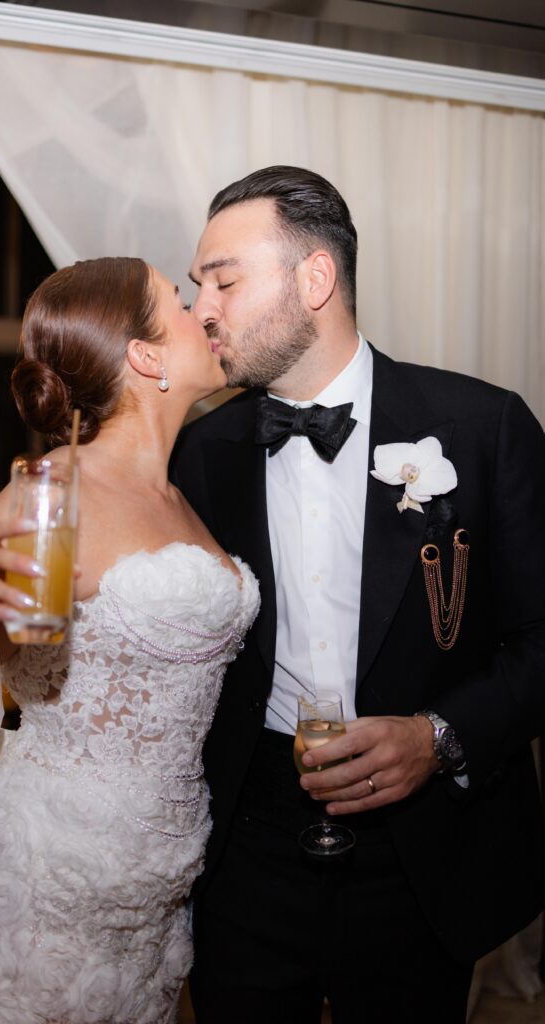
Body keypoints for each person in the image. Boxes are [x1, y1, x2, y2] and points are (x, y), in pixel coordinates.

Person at [170, 165, 545, 1023]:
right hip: (246, 854)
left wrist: (438, 737)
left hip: (420, 859)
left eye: (224, 280)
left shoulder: (482, 428)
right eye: (197, 287)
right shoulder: (204, 451)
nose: (202, 310)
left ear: (315, 279)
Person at [0, 257, 259, 1024]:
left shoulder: (183, 496)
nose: (205, 312)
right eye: (180, 301)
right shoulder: (45, 494)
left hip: (157, 902)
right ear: (145, 355)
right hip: (36, 899)